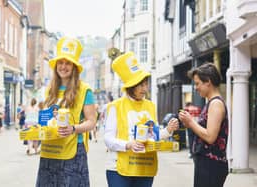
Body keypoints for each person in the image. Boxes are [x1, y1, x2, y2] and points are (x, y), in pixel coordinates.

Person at [104, 52, 179, 187]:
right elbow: (108, 139)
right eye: (141, 85)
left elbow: (153, 135)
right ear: (130, 86)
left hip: (144, 167)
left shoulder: (150, 105)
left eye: (146, 84)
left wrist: (168, 130)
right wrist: (128, 144)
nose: (145, 89)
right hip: (119, 169)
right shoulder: (115, 106)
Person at [36, 37, 96, 187]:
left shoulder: (84, 90)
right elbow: (45, 118)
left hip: (73, 152)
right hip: (50, 150)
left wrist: (73, 129)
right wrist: (38, 128)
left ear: (74, 66)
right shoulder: (49, 90)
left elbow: (91, 122)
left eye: (68, 62)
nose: (63, 66)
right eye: (60, 62)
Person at [179, 63, 229, 187]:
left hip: (211, 164)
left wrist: (191, 122)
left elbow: (210, 137)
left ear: (208, 82)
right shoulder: (212, 102)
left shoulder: (216, 104)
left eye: (197, 83)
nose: (196, 88)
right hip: (208, 163)